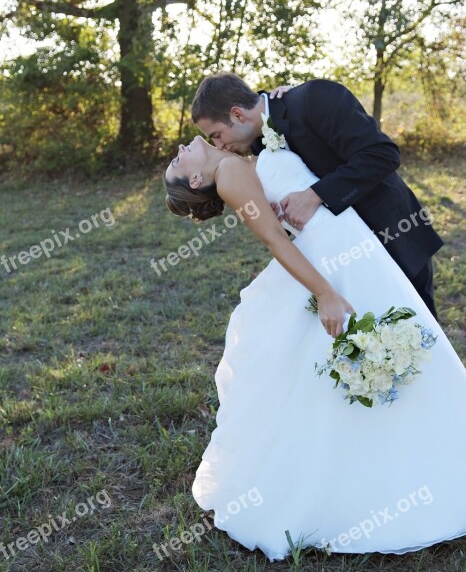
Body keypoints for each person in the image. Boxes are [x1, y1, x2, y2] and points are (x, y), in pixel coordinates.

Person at [163, 134, 466, 562]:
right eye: (179, 161)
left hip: (347, 245)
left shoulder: (239, 159)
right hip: (331, 258)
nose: (181, 149)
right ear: (196, 179)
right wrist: (324, 291)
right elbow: (276, 238)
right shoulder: (229, 174)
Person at [191, 72, 444, 319]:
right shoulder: (259, 143)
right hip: (346, 260)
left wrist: (315, 195)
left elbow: (382, 154)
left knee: (423, 335)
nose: (220, 146)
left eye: (217, 135)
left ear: (237, 114)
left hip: (393, 234)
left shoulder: (316, 97)